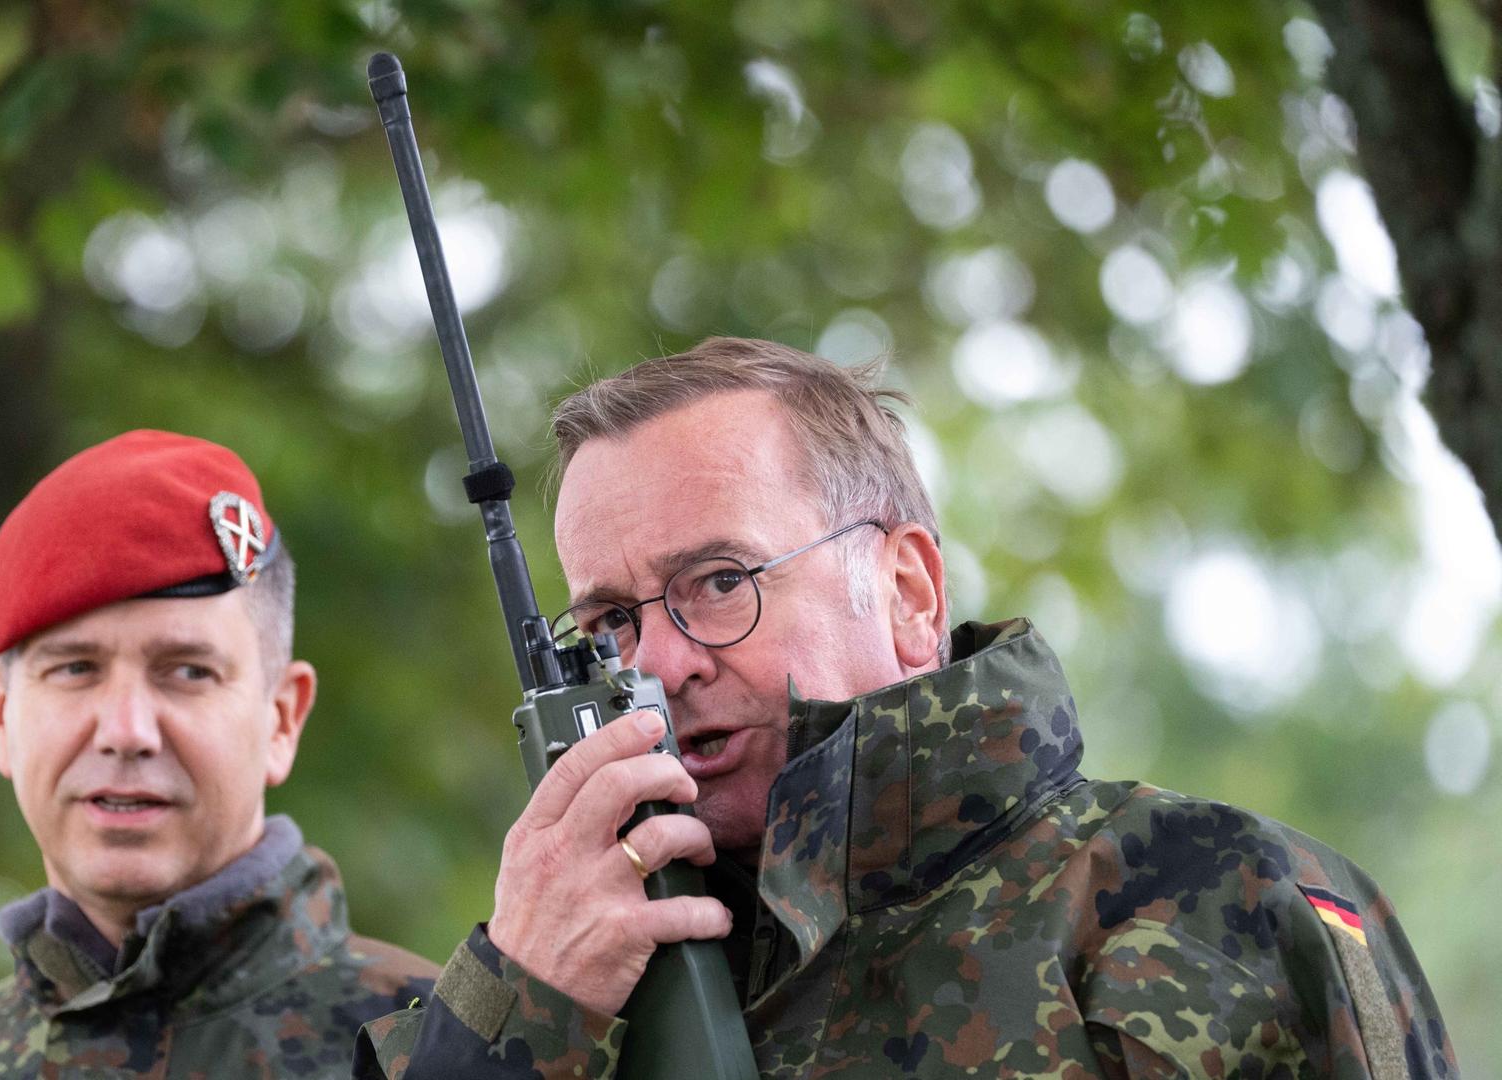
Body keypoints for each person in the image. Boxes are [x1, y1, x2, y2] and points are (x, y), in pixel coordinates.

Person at [355, 338, 1457, 1079]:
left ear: (909, 590)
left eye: (720, 583)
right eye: (610, 623)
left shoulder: (1218, 899)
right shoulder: (557, 981)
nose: (663, 660)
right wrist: (511, 1004)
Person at [0, 430, 436, 1079]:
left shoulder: (446, 1053)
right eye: (76, 668)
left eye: (187, 672)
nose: (128, 731)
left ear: (282, 718)